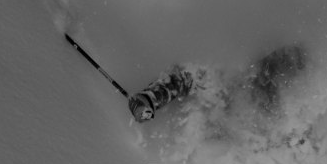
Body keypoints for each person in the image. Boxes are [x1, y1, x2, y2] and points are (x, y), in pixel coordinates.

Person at [127, 45, 306, 123]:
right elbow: (181, 79)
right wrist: (150, 99)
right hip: (217, 133)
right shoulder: (236, 82)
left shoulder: (294, 114)